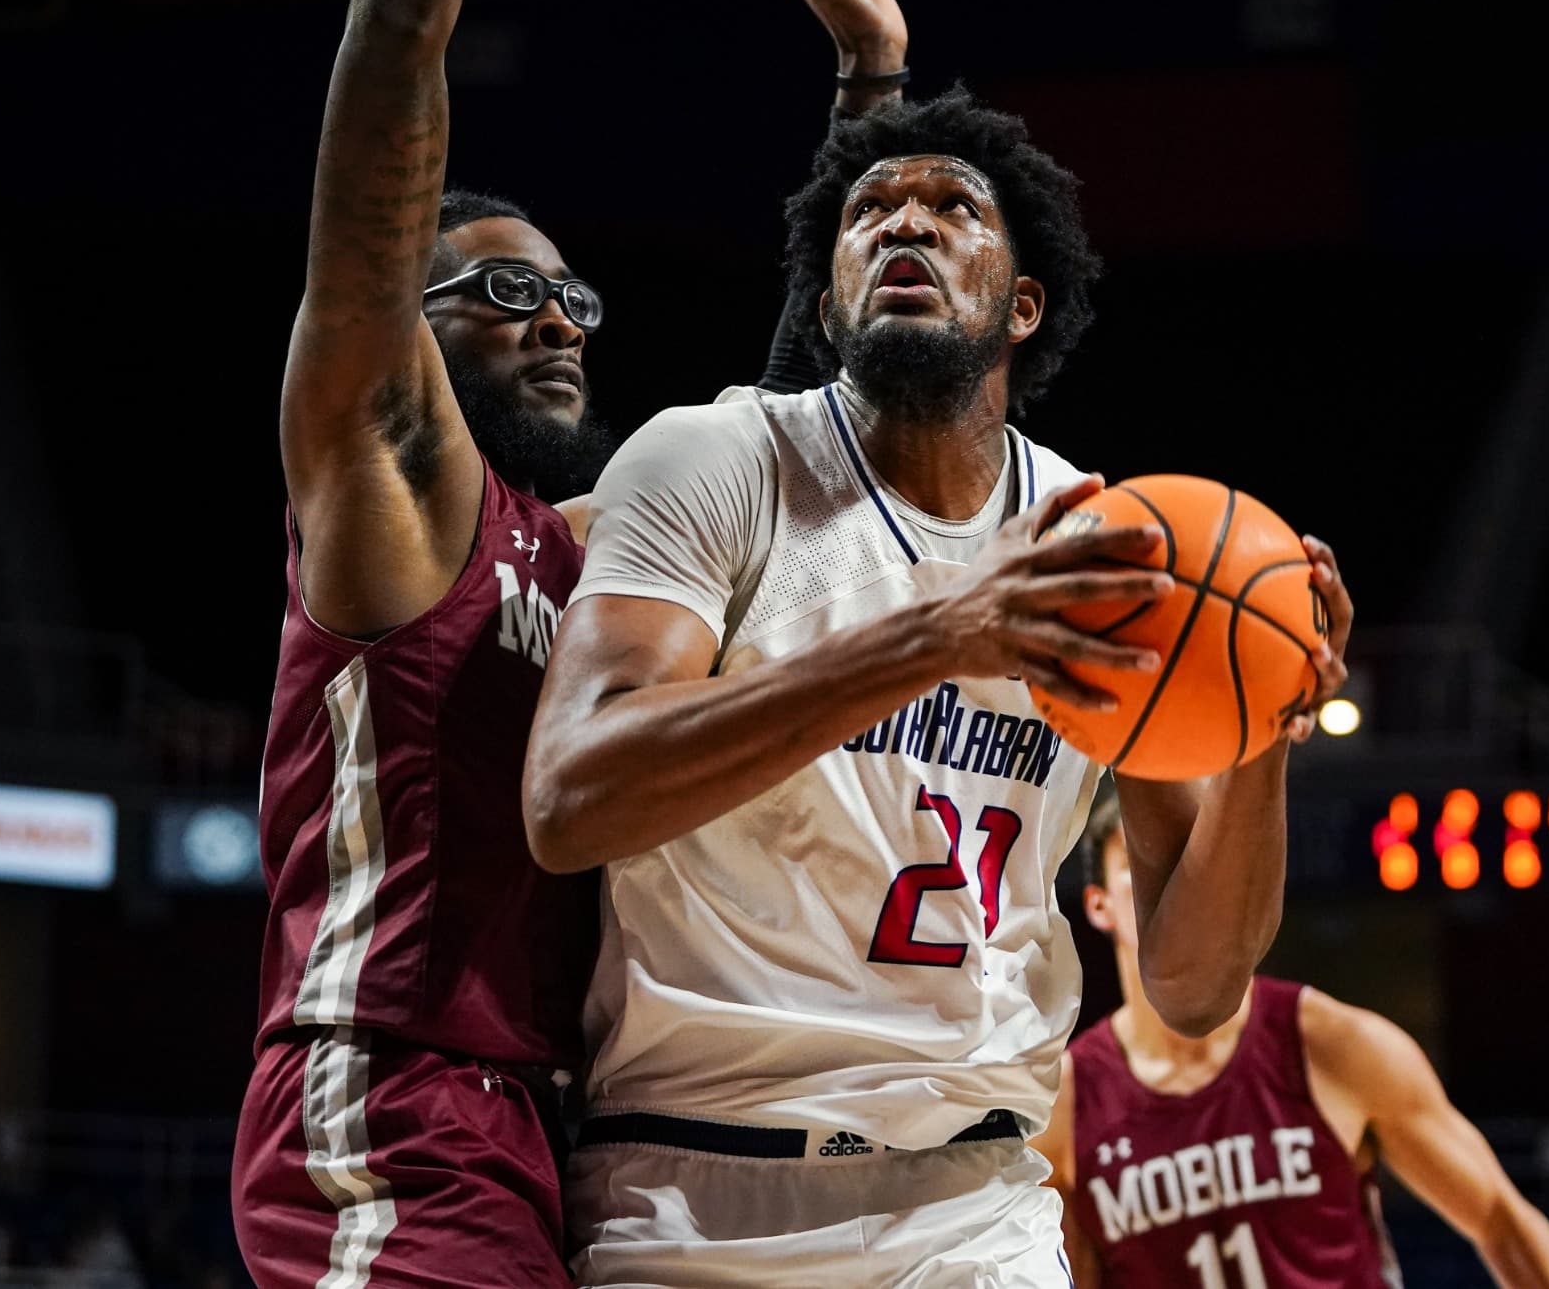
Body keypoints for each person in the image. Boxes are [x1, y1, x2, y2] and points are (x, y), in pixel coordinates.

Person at [523, 88, 1357, 1285]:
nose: (903, 225)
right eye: (870, 210)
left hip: (977, 1208)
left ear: (1022, 305)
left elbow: (1187, 983)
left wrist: (1264, 727)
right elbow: (569, 798)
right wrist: (932, 637)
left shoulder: (1104, 542)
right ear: (826, 304)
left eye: (951, 207)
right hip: (694, 1191)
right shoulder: (714, 458)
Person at [228, 0, 914, 1283]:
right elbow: (384, 113)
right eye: (501, 293)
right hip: (391, 1090)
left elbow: (777, 431)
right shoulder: (394, 500)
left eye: (573, 301)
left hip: (551, 1118)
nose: (557, 321)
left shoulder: (585, 550)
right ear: (403, 337)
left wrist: (870, 80)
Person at [1037, 782, 1549, 1288]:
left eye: (1192, 870)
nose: (1175, 894)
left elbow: (1500, 1219)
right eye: (1145, 869)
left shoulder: (1333, 1044)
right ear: (1098, 905)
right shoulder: (1064, 1105)